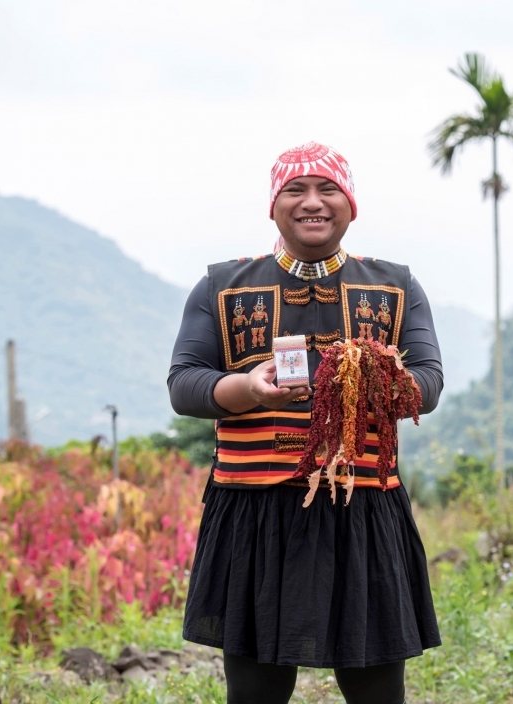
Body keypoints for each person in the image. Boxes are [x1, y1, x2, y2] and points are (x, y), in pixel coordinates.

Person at [168, 142, 443, 704]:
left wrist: (373, 376)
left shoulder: (394, 288)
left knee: (377, 690)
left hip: (362, 507)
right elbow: (184, 384)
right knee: (255, 692)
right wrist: (248, 388)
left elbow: (428, 384)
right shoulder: (224, 287)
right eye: (295, 190)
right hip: (254, 510)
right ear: (274, 206)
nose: (312, 203)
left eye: (328, 190)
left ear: (350, 205)